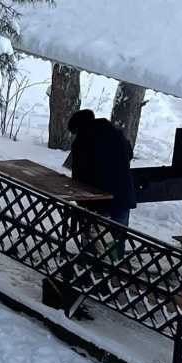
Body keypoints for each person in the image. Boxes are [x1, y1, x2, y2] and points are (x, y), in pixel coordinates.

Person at [44, 110, 135, 318]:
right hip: (123, 196)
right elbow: (128, 155)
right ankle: (115, 277)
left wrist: (82, 203)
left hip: (100, 199)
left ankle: (97, 280)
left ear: (78, 129)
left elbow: (80, 177)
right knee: (116, 240)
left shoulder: (83, 141)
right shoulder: (116, 133)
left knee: (97, 241)